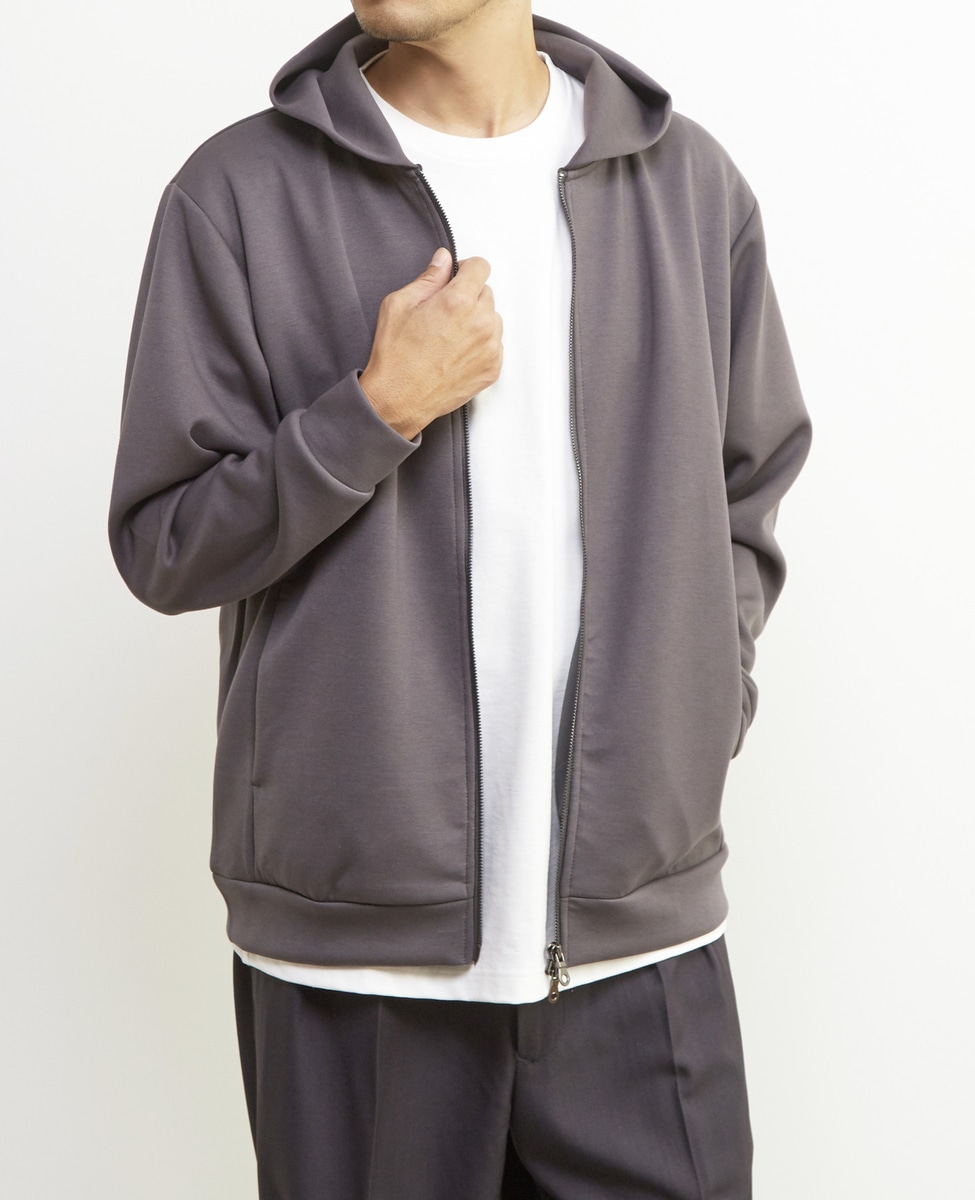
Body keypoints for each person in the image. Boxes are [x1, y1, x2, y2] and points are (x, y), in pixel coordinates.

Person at [109, 2, 811, 1196]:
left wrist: (701, 708)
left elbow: (748, 486)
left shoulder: (688, 186)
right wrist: (372, 412)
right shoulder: (238, 195)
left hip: (641, 947)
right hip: (357, 970)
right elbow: (164, 544)